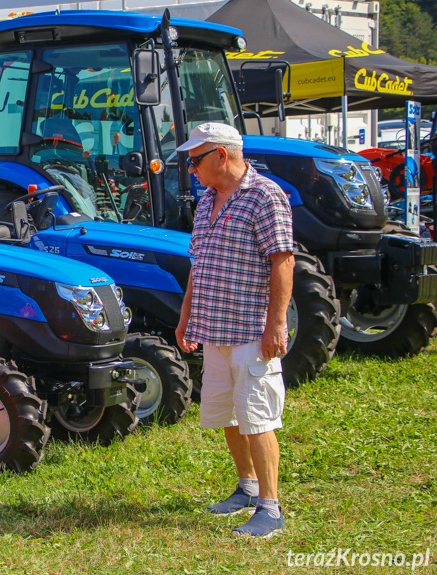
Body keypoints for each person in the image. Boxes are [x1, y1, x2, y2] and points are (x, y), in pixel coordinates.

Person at [174, 122, 294, 539]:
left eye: (195, 160)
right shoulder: (206, 200)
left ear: (221, 156)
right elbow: (198, 263)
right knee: (228, 414)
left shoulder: (265, 196)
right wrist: (187, 317)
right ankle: (247, 487)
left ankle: (271, 507)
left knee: (257, 417)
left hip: (249, 330)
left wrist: (276, 324)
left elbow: (283, 261)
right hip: (215, 329)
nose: (191, 168)